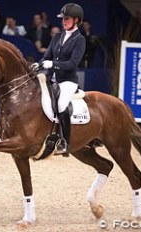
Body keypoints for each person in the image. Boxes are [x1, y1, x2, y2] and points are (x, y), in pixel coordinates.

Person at [37, 3, 86, 155]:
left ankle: (65, 143)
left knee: (61, 104)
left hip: (68, 81)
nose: (64, 21)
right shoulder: (58, 36)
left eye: (67, 19)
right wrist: (37, 65)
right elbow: (46, 56)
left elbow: (72, 64)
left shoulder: (80, 39)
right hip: (52, 79)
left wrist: (52, 64)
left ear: (76, 20)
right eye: (63, 19)